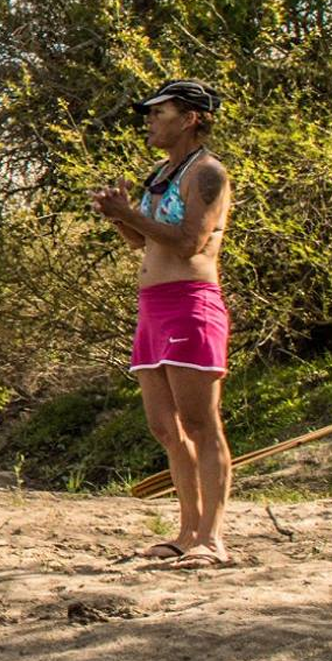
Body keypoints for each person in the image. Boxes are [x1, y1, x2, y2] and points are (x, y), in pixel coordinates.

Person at [90, 78, 235, 569]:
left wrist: (130, 214)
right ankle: (186, 531)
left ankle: (211, 538)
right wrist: (119, 216)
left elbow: (191, 242)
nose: (149, 121)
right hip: (151, 308)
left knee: (199, 423)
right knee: (164, 427)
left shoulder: (207, 173)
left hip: (191, 304)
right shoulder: (161, 173)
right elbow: (142, 241)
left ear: (190, 118)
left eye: (159, 112)